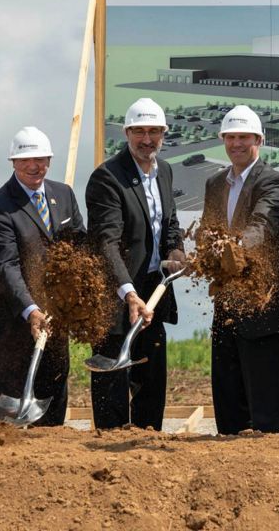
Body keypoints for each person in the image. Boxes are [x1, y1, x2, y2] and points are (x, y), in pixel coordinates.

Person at [199, 106, 279, 434]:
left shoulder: (272, 181)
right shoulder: (215, 183)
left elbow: (263, 226)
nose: (236, 143)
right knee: (229, 402)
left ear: (259, 139)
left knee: (267, 408)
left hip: (266, 305)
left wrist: (233, 248)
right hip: (228, 305)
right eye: (230, 137)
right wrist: (206, 248)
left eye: (243, 137)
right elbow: (208, 228)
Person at [85, 98, 185, 430]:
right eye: (139, 131)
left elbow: (169, 224)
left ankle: (148, 446)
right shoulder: (107, 178)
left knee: (151, 380)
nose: (147, 139)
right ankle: (109, 451)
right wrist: (128, 294)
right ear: (126, 133)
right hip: (117, 296)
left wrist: (177, 252)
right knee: (112, 383)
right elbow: (105, 242)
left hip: (155, 292)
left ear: (164, 133)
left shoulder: (165, 171)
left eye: (154, 131)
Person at [0, 126, 83, 427]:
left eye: (41, 159)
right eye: (26, 160)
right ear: (13, 162)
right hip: (12, 322)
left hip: (55, 319)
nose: (35, 166)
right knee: (12, 420)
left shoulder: (63, 194)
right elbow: (4, 266)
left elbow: (79, 241)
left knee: (52, 402)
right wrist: (31, 309)